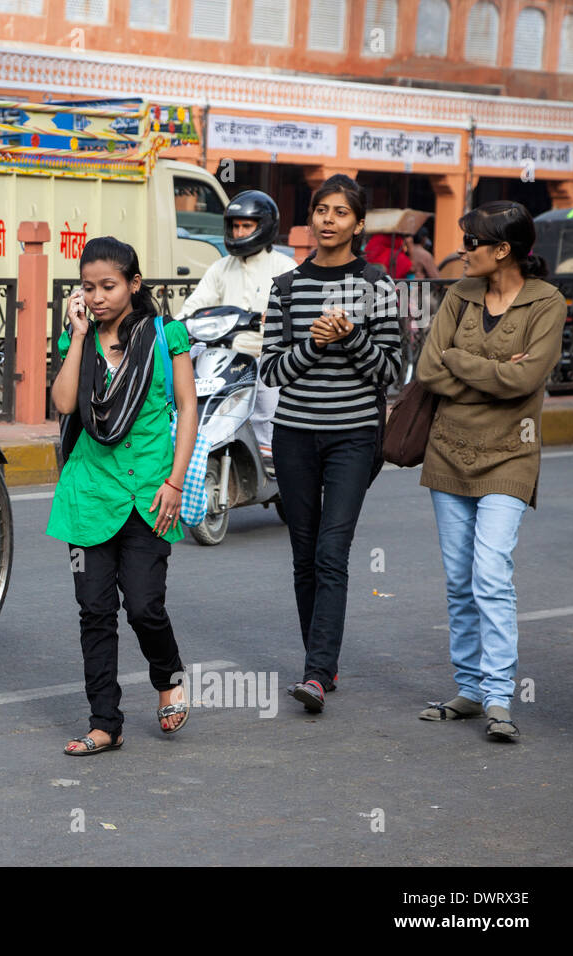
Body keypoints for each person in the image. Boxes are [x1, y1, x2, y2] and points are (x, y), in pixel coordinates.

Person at [415, 201, 565, 742]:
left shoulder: (547, 302)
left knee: (490, 574)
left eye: (472, 241)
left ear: (503, 250)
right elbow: (429, 369)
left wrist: (462, 361)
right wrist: (494, 372)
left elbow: (524, 384)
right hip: (448, 451)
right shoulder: (459, 294)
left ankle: (499, 695)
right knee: (459, 581)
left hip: (511, 454)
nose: (462, 250)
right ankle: (471, 690)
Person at [48, 237, 198, 754]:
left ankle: (168, 677)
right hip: (88, 494)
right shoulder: (81, 338)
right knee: (94, 610)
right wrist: (77, 334)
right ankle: (104, 722)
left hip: (149, 493)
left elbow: (186, 409)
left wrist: (175, 481)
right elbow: (64, 402)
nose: (96, 296)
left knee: (144, 607)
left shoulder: (165, 335)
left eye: (108, 286)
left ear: (134, 284)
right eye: (87, 287)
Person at [259, 174, 402, 714]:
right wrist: (314, 346)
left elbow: (391, 368)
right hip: (294, 433)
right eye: (321, 210)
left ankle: (315, 674)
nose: (328, 220)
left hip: (353, 437)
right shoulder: (286, 286)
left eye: (341, 212)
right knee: (303, 554)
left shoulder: (377, 284)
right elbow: (271, 371)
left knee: (331, 552)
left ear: (358, 224)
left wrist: (350, 336)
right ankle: (322, 663)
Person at [180, 189, 297, 466]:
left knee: (267, 397)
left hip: (265, 355)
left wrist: (277, 319)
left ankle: (269, 452)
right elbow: (196, 303)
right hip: (227, 356)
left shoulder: (285, 267)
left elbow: (296, 313)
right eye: (235, 225)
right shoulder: (221, 268)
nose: (240, 231)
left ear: (265, 227)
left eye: (247, 225)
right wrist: (178, 323)